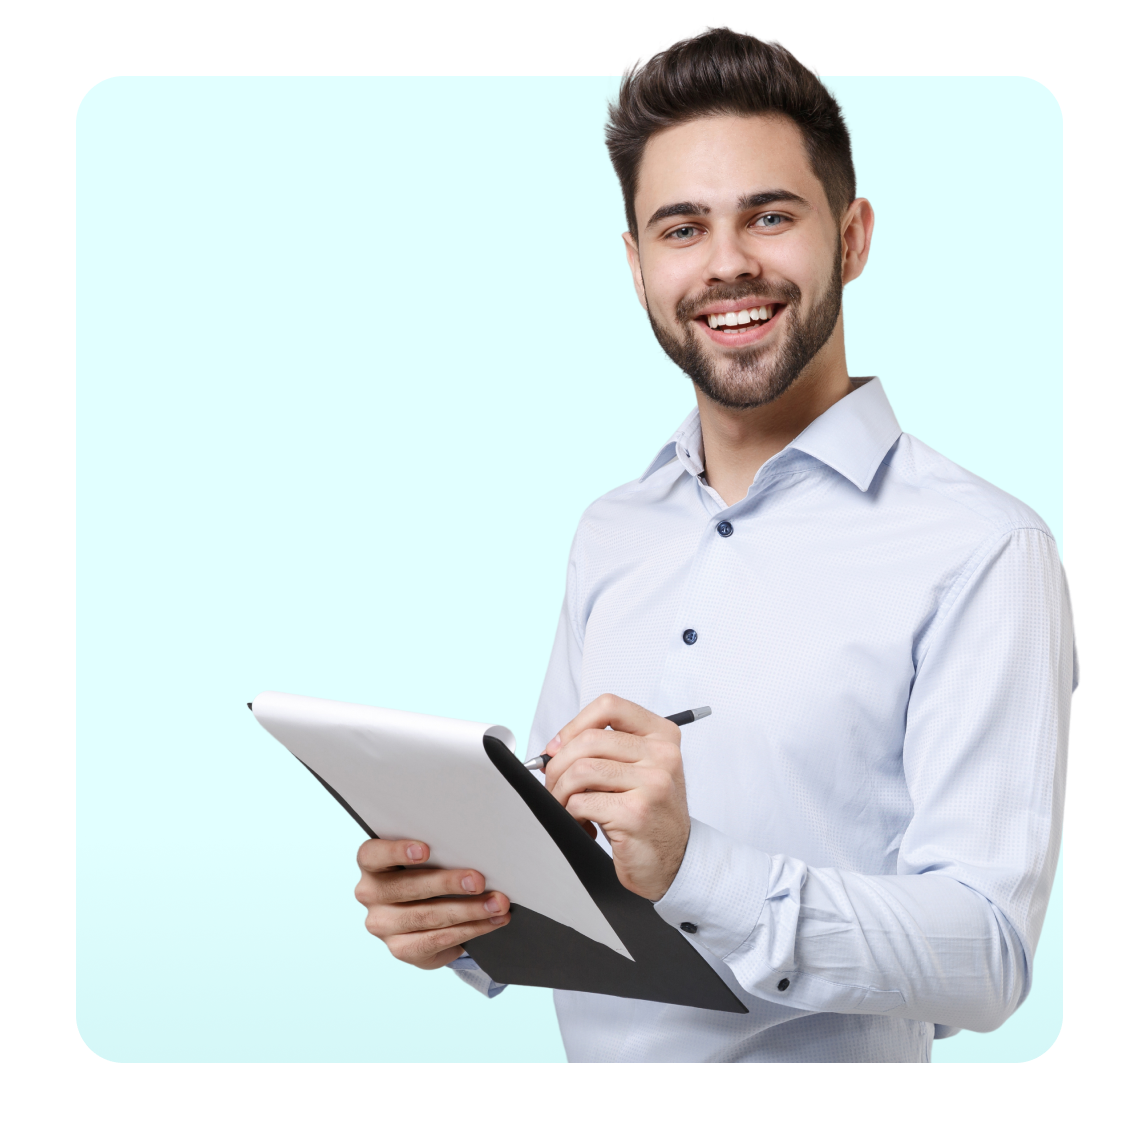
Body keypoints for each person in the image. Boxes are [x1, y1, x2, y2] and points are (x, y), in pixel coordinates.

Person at [352, 30, 1075, 1062]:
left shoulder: (981, 547)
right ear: (637, 262)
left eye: (769, 216)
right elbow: (574, 869)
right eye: (681, 228)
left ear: (853, 236)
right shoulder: (611, 530)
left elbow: (987, 957)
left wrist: (697, 867)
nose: (726, 263)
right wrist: (462, 912)